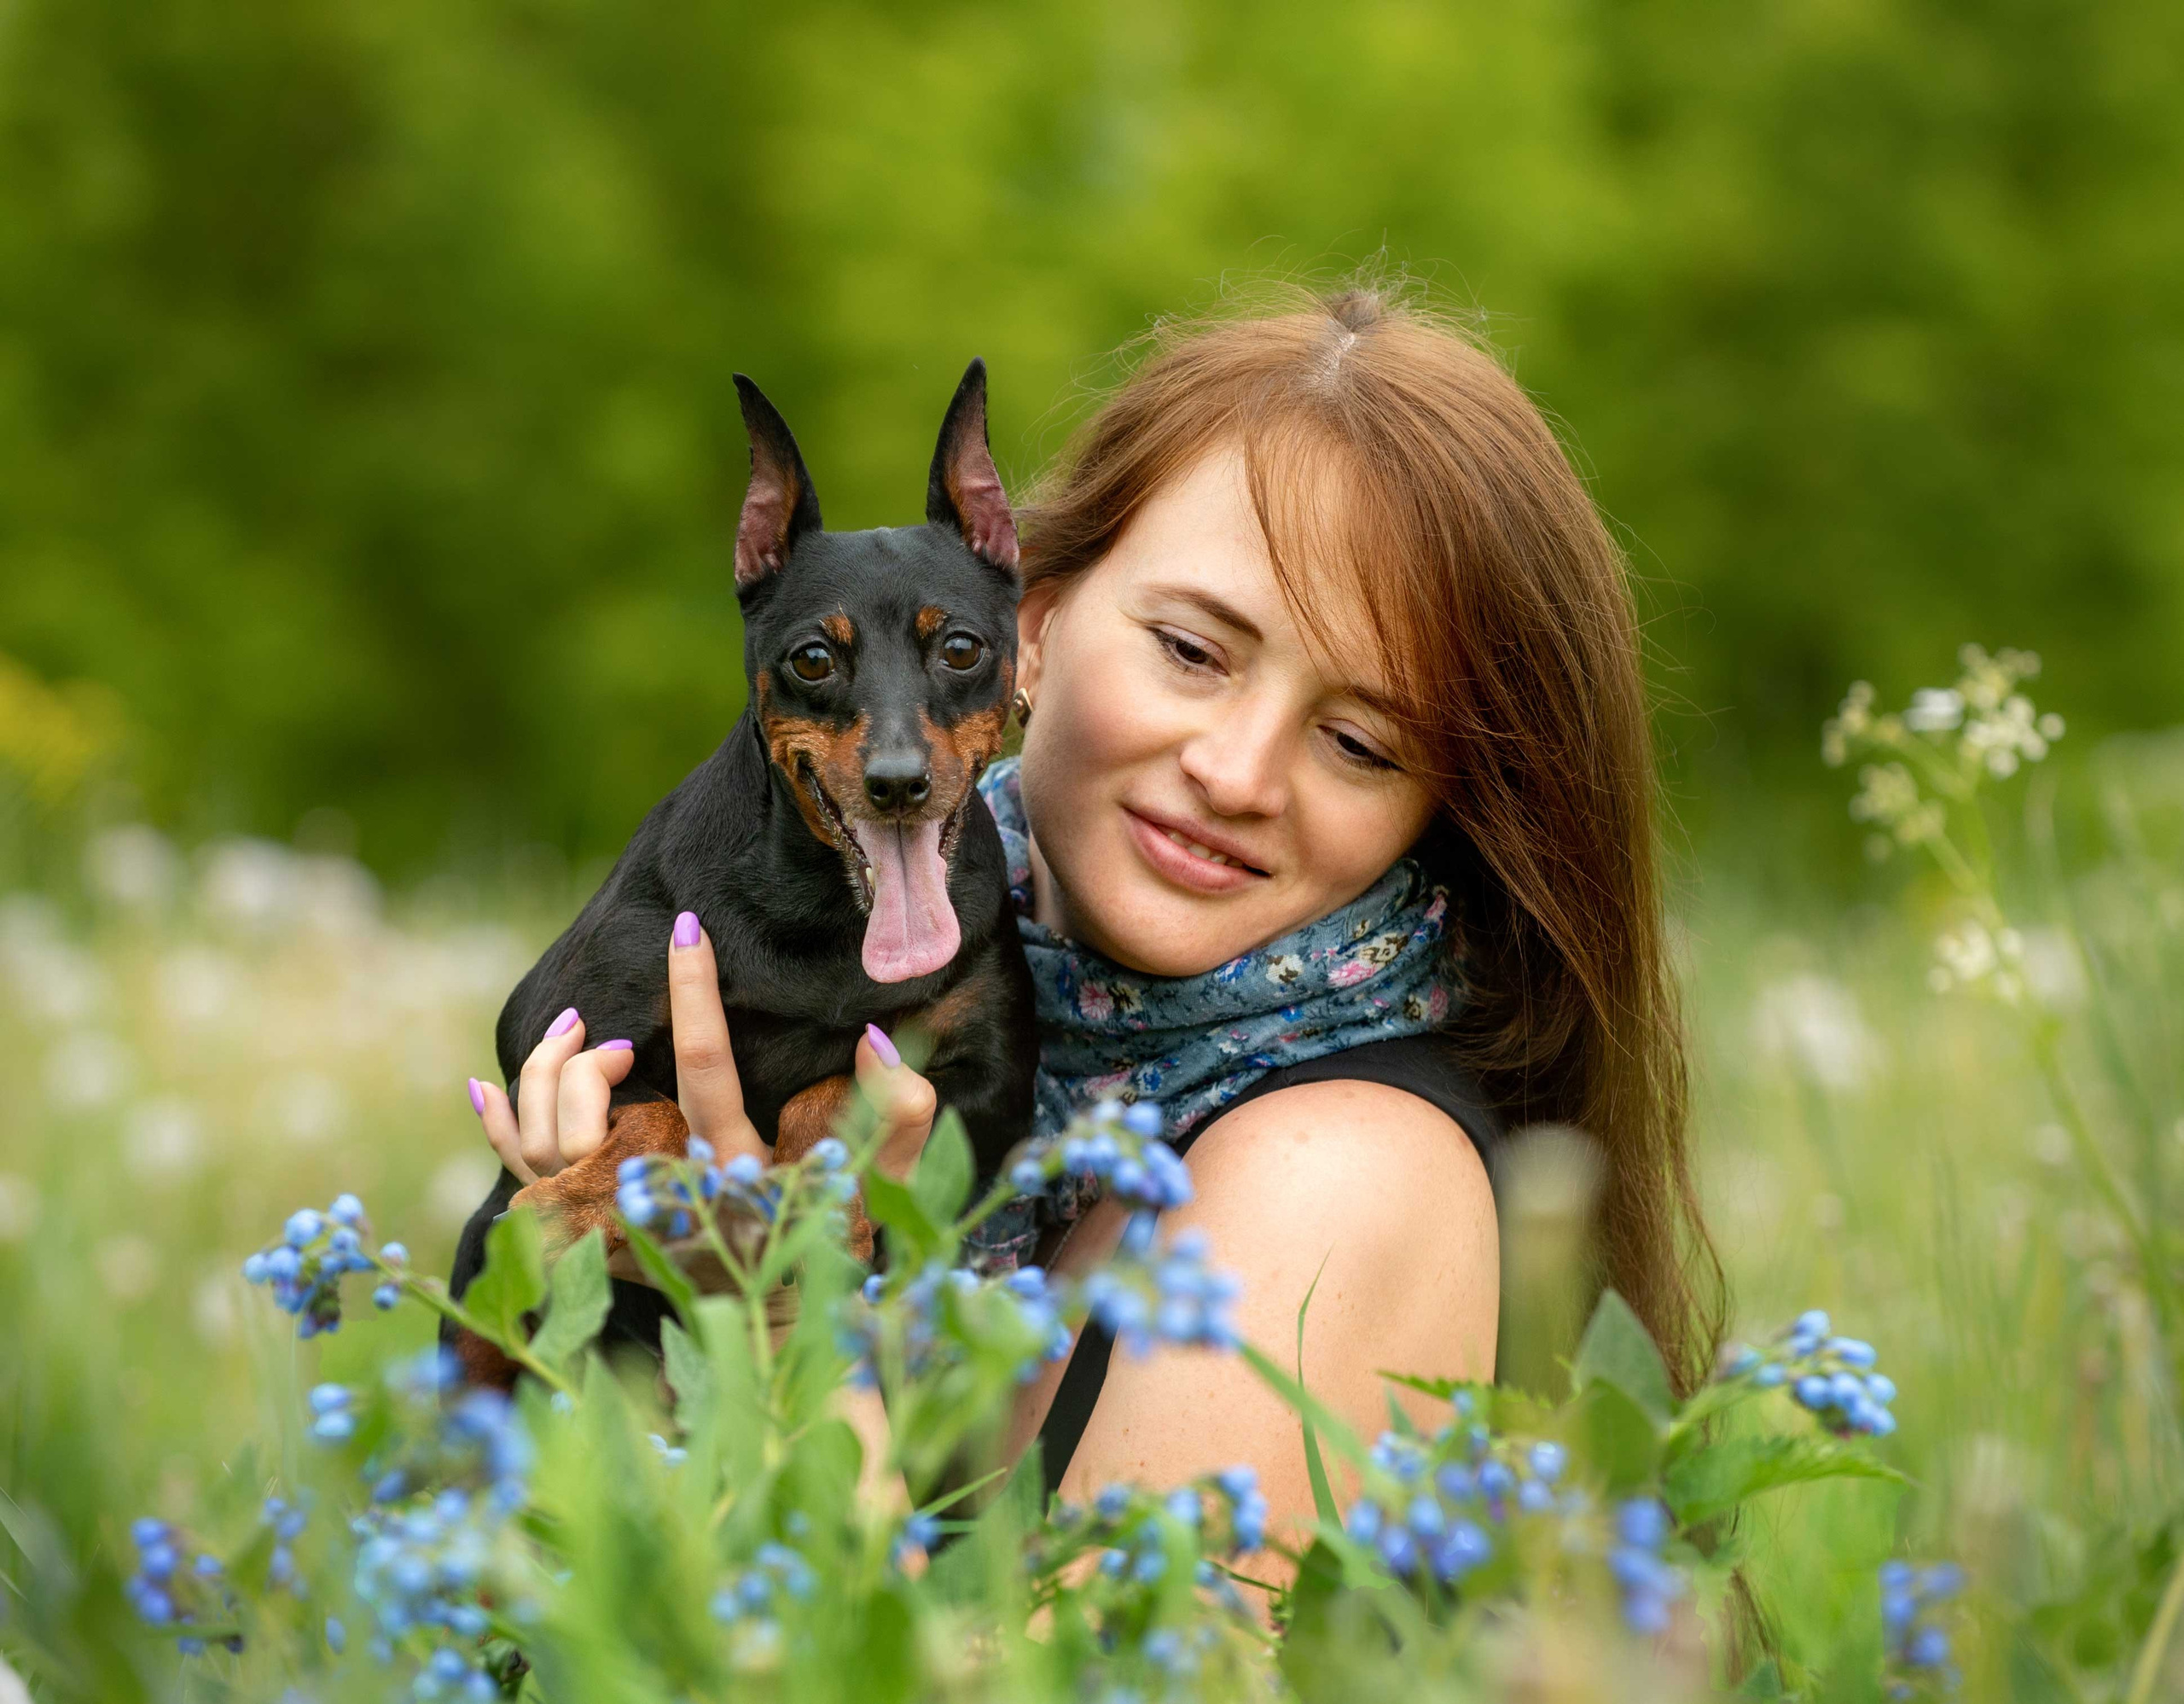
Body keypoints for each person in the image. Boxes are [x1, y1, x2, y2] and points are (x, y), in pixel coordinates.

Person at [468, 279, 1721, 1580]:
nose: (1237, 770)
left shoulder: (1339, 1174)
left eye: (1357, 740)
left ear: (1442, 806)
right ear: (1036, 626)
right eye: (1191, 649)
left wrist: (781, 1320)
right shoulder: (865, 992)